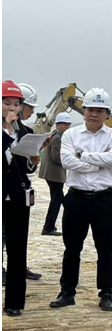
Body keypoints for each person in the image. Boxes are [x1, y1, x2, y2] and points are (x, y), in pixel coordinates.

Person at [49, 88, 112, 312]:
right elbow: (66, 161)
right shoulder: (71, 135)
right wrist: (97, 164)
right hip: (76, 198)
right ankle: (67, 293)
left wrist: (82, 155)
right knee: (72, 249)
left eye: (100, 110)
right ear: (84, 111)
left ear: (107, 114)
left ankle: (106, 294)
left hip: (103, 199)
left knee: (105, 249)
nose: (94, 114)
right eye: (91, 109)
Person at [2, 80, 41, 316]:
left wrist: (32, 162)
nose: (12, 108)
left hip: (17, 196)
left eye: (16, 104)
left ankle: (14, 302)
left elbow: (25, 168)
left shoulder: (26, 133)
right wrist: (7, 131)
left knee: (17, 251)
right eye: (7, 103)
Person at [38, 112, 73, 237]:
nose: (67, 127)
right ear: (58, 125)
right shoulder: (57, 137)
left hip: (51, 173)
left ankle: (52, 225)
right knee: (56, 201)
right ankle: (48, 227)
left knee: (60, 199)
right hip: (54, 174)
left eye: (68, 125)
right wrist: (70, 161)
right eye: (64, 124)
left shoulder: (54, 135)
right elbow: (56, 157)